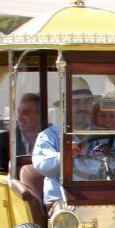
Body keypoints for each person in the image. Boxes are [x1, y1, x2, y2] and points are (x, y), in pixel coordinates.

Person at [32, 76, 95, 205]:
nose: (82, 107)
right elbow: (43, 166)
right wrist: (64, 155)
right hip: (63, 201)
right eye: (76, 102)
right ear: (65, 107)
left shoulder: (105, 135)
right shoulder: (50, 136)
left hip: (103, 199)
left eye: (87, 101)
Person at [0, 93, 41, 174]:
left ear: (39, 115)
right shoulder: (4, 140)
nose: (19, 118)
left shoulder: (53, 138)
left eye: (25, 113)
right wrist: (15, 183)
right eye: (19, 112)